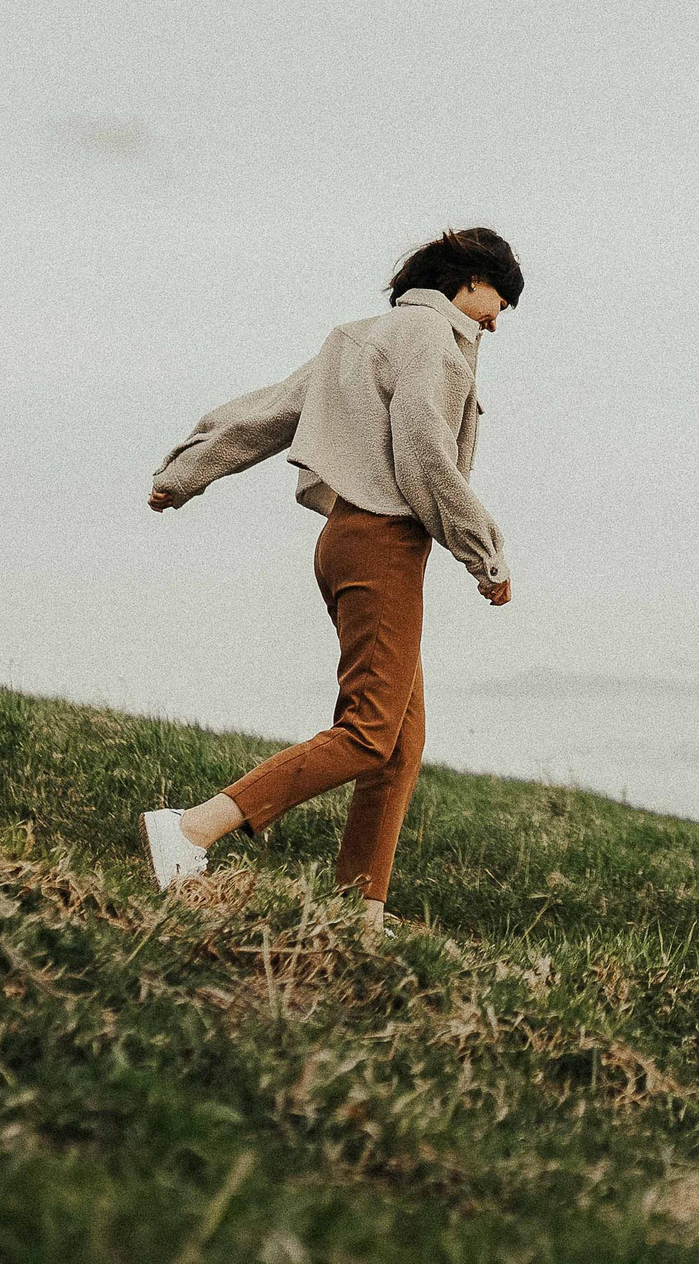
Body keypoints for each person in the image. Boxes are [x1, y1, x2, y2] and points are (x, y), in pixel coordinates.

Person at [136, 227, 522, 937]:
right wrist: (483, 552)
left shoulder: (360, 335)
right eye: (502, 300)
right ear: (471, 279)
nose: (498, 320)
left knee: (399, 742)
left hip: (345, 537)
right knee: (369, 732)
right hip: (383, 542)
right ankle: (191, 829)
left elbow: (271, 411)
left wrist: (185, 471)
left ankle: (358, 911)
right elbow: (425, 453)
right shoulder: (434, 342)